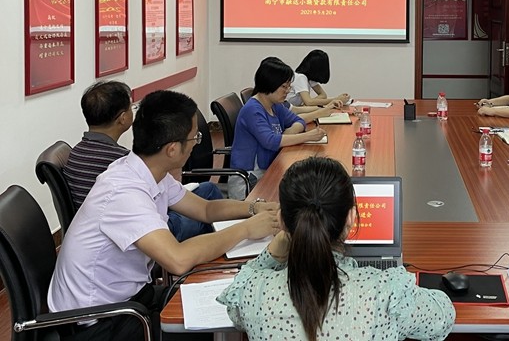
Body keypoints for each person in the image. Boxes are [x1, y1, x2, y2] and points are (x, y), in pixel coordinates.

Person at [48, 90, 280, 341]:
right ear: (172, 149)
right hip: (97, 322)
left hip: (129, 297)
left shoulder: (147, 170)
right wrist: (246, 229)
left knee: (215, 306)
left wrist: (254, 208)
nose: (197, 143)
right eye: (195, 137)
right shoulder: (123, 192)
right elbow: (177, 260)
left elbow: (205, 209)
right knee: (204, 326)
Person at [217, 156, 456, 341]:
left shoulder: (254, 292)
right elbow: (443, 319)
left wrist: (273, 251)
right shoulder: (386, 292)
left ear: (282, 221)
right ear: (351, 218)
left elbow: (237, 308)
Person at [63, 80, 223, 241]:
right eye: (131, 107)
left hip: (120, 222)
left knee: (206, 192)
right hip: (142, 228)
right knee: (207, 201)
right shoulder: (123, 163)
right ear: (123, 118)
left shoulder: (74, 153)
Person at [229, 57, 326, 200]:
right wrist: (308, 136)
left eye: (288, 86)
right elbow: (270, 141)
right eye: (284, 87)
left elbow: (298, 120)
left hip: (268, 169)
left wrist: (288, 133)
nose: (288, 91)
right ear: (270, 84)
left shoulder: (275, 105)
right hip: (249, 181)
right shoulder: (253, 110)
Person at [286, 49, 350, 108]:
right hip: (288, 110)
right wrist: (336, 99)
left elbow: (323, 95)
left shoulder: (309, 78)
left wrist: (310, 102)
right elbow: (309, 102)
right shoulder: (300, 77)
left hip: (296, 109)